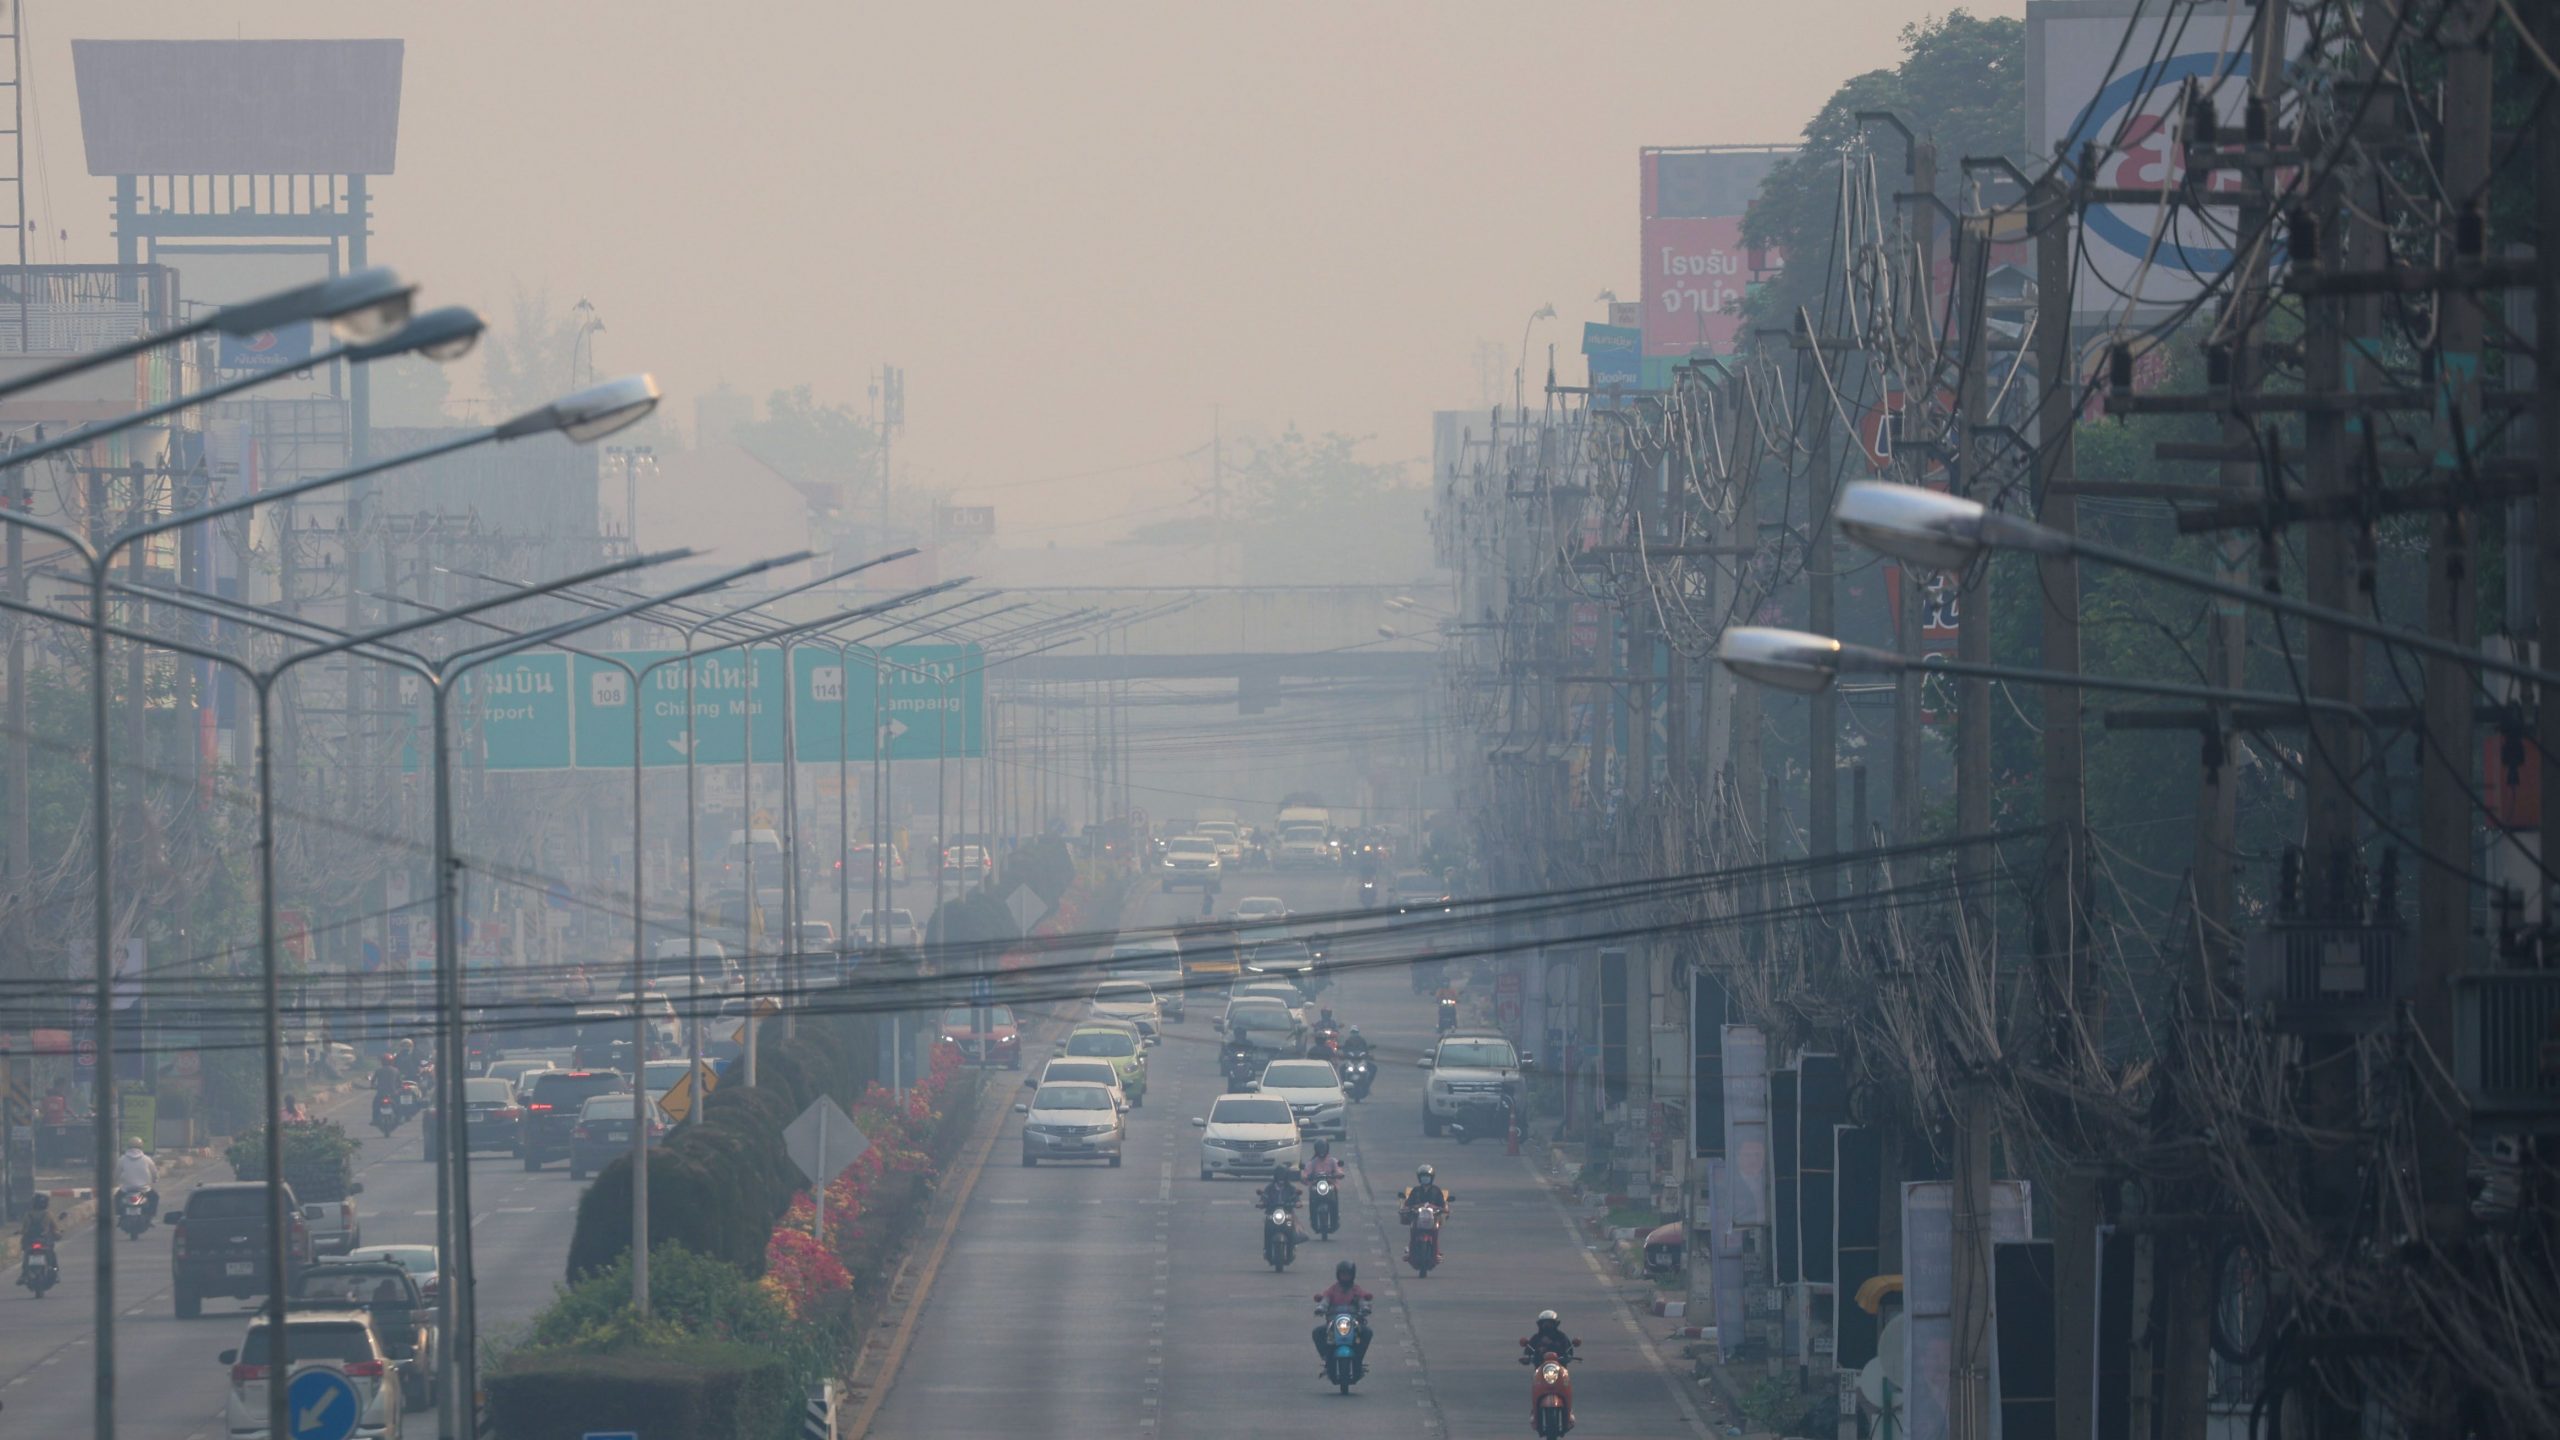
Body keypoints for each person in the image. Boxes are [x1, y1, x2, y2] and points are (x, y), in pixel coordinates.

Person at [1310, 1259, 1375, 1377]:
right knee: (1317, 1332)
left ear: (1352, 1275)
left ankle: (1358, 1358)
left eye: (1348, 1274)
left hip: (1353, 1323)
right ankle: (1326, 1357)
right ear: (1338, 1275)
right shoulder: (1333, 1289)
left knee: (1367, 1332)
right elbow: (1325, 1300)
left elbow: (1362, 1300)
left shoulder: (1356, 1290)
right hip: (1334, 1323)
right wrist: (1320, 1307)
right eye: (1342, 1274)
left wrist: (1365, 1307)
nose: (1345, 1277)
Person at [1520, 1308, 1580, 1430]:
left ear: (1555, 1324)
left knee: (1567, 1386)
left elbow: (1569, 1351)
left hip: (1559, 1370)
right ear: (1540, 1324)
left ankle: (1568, 1412)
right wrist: (1528, 1358)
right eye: (1544, 1323)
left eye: (1550, 1323)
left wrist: (1567, 1357)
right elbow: (1528, 1352)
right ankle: (1535, 1412)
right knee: (1535, 1387)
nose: (1547, 1326)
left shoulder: (1562, 1337)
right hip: (1541, 1371)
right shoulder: (1536, 1338)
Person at [1400, 1163, 1455, 1250]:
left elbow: (1442, 1205)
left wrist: (1440, 1209)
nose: (1425, 1178)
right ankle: (1411, 1247)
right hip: (1418, 1218)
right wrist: (1409, 1208)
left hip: (1433, 1218)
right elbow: (1408, 1204)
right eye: (1423, 1176)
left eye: (1427, 1176)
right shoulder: (1416, 1190)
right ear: (1419, 1178)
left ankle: (1437, 1250)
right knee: (1412, 1226)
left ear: (1431, 1178)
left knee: (1436, 1228)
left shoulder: (1436, 1190)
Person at [115, 1137, 158, 1211]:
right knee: (155, 1197)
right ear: (141, 1147)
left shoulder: (122, 1159)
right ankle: (151, 1215)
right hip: (144, 1189)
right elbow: (154, 1172)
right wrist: (155, 1179)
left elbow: (116, 1174)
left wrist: (117, 1180)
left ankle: (120, 1214)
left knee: (117, 1198)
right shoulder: (147, 1159)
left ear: (128, 1147)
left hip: (126, 1189)